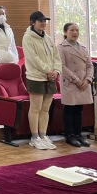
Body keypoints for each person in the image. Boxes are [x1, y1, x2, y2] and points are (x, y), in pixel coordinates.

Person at [22, 11, 62, 151]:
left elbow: (56, 56)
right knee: (35, 108)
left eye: (45, 21)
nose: (44, 23)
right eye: (41, 21)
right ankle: (35, 137)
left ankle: (43, 135)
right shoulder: (28, 38)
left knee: (45, 109)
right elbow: (33, 59)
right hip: (36, 77)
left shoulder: (48, 38)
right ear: (33, 22)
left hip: (50, 77)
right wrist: (48, 70)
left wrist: (56, 71)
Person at [58, 23, 93, 148]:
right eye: (72, 30)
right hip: (70, 83)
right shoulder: (61, 47)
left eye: (77, 30)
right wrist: (76, 80)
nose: (75, 33)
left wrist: (88, 79)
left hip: (83, 82)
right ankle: (70, 135)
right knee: (70, 109)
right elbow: (62, 66)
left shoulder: (83, 47)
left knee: (79, 109)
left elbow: (89, 65)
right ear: (65, 32)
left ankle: (79, 134)